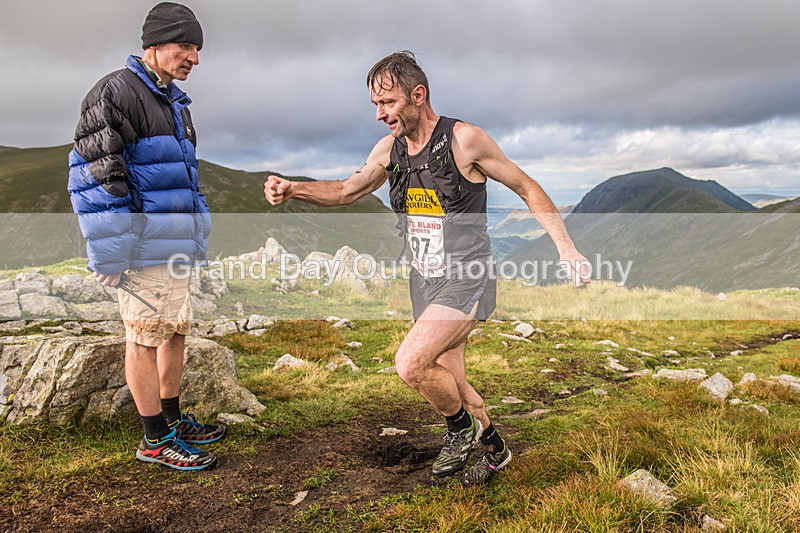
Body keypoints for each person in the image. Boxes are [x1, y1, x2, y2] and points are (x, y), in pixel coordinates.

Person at [264, 51, 590, 485]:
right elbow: (346, 190)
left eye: (388, 103)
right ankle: (495, 448)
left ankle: (460, 430)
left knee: (411, 363)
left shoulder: (465, 140)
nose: (380, 115)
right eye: (375, 106)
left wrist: (566, 249)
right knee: (450, 379)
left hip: (467, 277)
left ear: (418, 95)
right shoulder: (389, 150)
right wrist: (294, 189)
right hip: (426, 280)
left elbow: (526, 186)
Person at [67, 2, 224, 471]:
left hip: (173, 244)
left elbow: (180, 178)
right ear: (154, 45)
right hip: (141, 247)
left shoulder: (171, 99)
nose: (194, 57)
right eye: (185, 46)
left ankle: (172, 421)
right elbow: (96, 178)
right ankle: (154, 439)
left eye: (197, 48)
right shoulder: (114, 93)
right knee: (143, 336)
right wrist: (111, 254)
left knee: (174, 330)